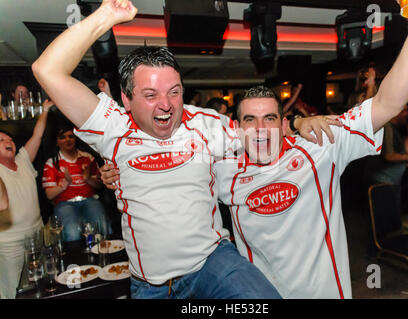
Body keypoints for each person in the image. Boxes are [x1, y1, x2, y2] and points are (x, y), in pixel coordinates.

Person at [99, 0, 408, 298]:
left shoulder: (319, 146)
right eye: (250, 121)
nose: (261, 129)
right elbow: (167, 183)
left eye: (270, 118)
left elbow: (387, 103)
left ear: (285, 124)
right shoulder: (222, 169)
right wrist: (117, 174)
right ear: (236, 129)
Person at [32, 0, 288, 299]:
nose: (166, 105)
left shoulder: (206, 124)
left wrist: (298, 123)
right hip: (152, 285)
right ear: (127, 100)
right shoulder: (111, 126)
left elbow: (262, 137)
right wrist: (106, 15)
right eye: (150, 95)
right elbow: (46, 69)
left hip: (213, 263)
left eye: (174, 92)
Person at [0, 99, 52, 299]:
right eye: (1, 141)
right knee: (10, 289)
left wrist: (45, 110)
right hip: (9, 242)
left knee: (39, 284)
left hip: (36, 235)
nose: (8, 142)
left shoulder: (23, 160)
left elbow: (37, 135)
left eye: (10, 139)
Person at [42, 122, 108, 242]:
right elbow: (49, 195)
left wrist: (87, 178)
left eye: (71, 136)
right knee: (72, 232)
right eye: (62, 137)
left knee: (102, 228)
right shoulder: (52, 163)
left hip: (89, 199)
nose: (68, 140)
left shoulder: (88, 157)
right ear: (57, 142)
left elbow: (99, 186)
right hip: (65, 203)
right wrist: (64, 185)